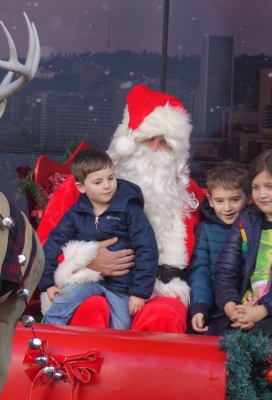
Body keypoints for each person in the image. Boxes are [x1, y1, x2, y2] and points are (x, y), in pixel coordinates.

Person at [37, 84, 205, 333]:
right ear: (128, 141)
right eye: (148, 139)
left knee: (164, 317)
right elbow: (46, 243)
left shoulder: (188, 192)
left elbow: (207, 256)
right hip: (94, 282)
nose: (155, 149)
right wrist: (85, 261)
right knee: (90, 309)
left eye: (165, 143)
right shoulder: (84, 185)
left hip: (162, 289)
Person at [39, 148, 158, 329]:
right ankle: (45, 335)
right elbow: (53, 244)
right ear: (81, 187)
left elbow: (147, 248)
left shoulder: (129, 210)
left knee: (121, 330)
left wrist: (139, 292)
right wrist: (48, 284)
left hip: (122, 287)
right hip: (87, 279)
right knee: (62, 300)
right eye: (98, 182)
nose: (107, 186)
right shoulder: (75, 215)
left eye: (111, 178)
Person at [214, 150, 272, 336]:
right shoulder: (246, 222)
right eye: (256, 187)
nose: (262, 195)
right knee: (224, 333)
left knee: (258, 338)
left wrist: (261, 311)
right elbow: (226, 271)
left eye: (270, 186)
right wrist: (230, 307)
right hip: (242, 307)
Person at [187, 162, 249, 335]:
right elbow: (201, 272)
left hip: (247, 306)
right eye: (220, 201)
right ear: (210, 201)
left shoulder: (253, 227)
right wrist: (200, 307)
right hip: (214, 308)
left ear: (247, 198)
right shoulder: (205, 230)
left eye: (234, 200)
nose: (227, 208)